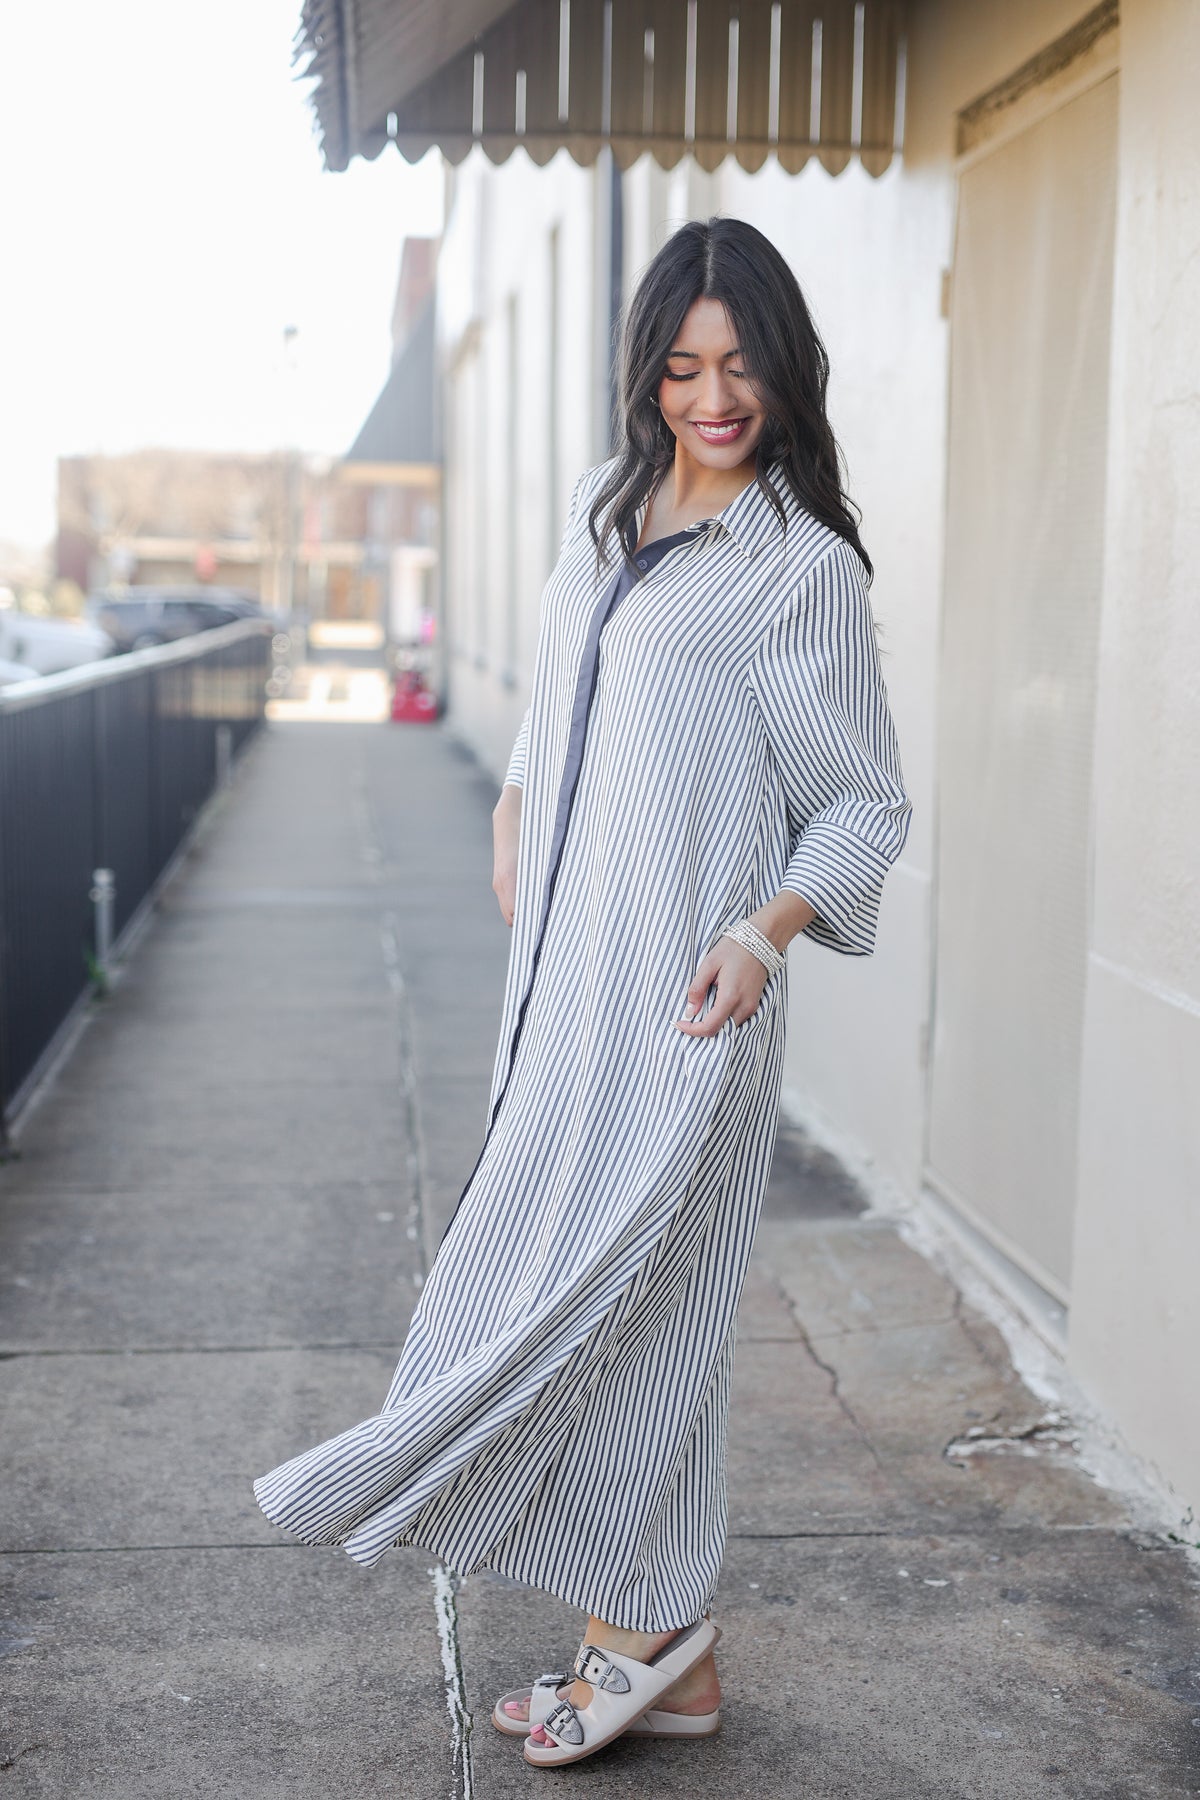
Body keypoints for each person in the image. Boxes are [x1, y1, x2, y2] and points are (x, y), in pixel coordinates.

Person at [254, 215, 912, 1769]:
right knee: (564, 1295)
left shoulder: (798, 571)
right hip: (556, 995)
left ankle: (639, 1632)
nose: (712, 397)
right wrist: (513, 805)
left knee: (640, 1317)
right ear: (647, 375)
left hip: (689, 1011)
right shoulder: (604, 514)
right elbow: (571, 699)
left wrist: (764, 936)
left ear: (784, 372)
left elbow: (865, 803)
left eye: (740, 366)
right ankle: (666, 1652)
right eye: (682, 367)